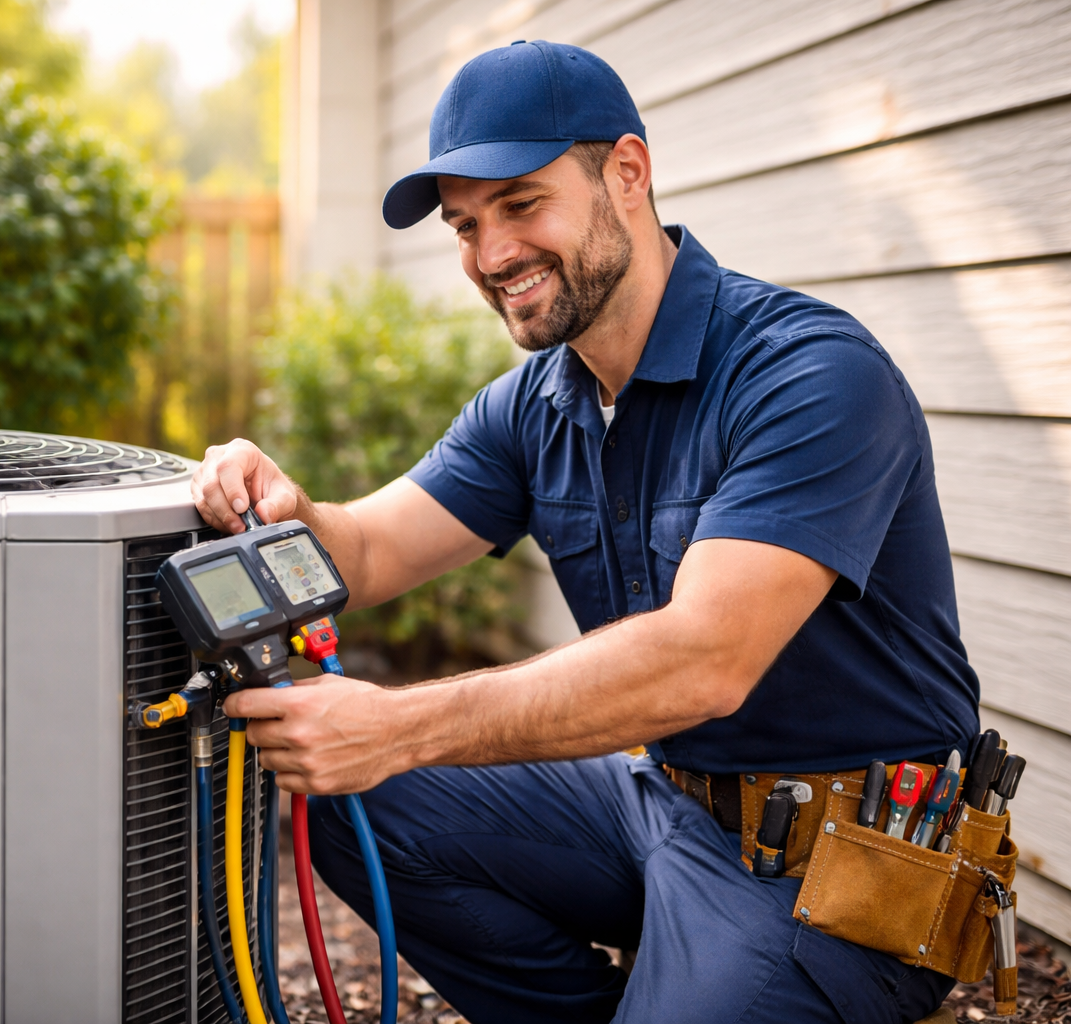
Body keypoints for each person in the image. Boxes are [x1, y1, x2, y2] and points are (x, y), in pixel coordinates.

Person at [193, 41, 978, 1024]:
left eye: (522, 204)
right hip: (667, 804)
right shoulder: (539, 402)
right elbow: (366, 549)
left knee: (385, 753)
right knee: (350, 801)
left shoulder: (808, 373)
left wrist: (396, 724)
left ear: (628, 174)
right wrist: (288, 506)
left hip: (842, 866)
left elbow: (704, 661)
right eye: (466, 225)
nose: (491, 256)